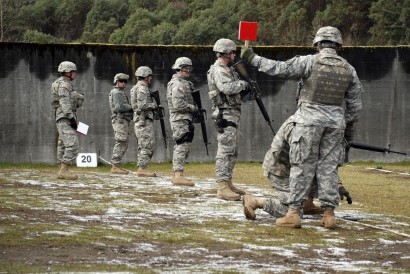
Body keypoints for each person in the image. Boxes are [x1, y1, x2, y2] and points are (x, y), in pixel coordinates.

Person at [241, 26, 363, 229]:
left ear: (317, 44)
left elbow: (279, 68)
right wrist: (347, 134)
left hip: (308, 121)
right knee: (328, 168)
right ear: (339, 45)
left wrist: (252, 58)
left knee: (301, 166)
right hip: (335, 124)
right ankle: (329, 214)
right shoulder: (349, 69)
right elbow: (355, 108)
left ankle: (293, 213)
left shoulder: (309, 62)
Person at [243, 115, 353, 220]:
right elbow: (303, 164)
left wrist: (338, 184)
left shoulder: (322, 128)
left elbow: (326, 163)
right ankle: (256, 202)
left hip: (299, 168)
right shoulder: (299, 127)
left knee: (316, 173)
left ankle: (308, 204)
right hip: (281, 170)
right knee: (294, 212)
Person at [207, 38, 250, 201]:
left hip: (231, 113)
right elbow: (227, 88)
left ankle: (229, 182)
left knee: (232, 150)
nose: (234, 55)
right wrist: (243, 85)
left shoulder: (227, 69)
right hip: (224, 114)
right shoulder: (219, 70)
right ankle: (222, 186)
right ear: (226, 53)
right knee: (225, 150)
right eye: (233, 52)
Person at [167, 57, 198, 186]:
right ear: (178, 68)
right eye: (185, 68)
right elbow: (178, 104)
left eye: (190, 68)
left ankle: (178, 174)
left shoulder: (185, 83)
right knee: (182, 145)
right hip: (179, 118)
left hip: (185, 118)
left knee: (185, 146)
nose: (188, 70)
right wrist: (193, 108)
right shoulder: (178, 84)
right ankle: (178, 175)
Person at [51, 61, 84, 180]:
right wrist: (71, 118)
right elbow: (64, 102)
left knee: (63, 144)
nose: (75, 74)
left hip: (64, 116)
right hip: (65, 117)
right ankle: (64, 170)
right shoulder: (63, 84)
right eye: (73, 72)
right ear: (67, 72)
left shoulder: (65, 83)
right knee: (73, 144)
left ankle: (62, 168)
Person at [130, 66, 158, 177]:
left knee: (144, 145)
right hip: (143, 121)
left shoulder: (137, 87)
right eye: (149, 76)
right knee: (147, 145)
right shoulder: (142, 88)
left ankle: (142, 167)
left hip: (142, 120)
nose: (151, 78)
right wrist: (154, 105)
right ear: (146, 77)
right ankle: (142, 169)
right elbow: (142, 105)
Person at [109, 73, 133, 174]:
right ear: (116, 81)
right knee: (121, 141)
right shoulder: (117, 93)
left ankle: (116, 165)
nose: (123, 83)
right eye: (121, 81)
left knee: (123, 142)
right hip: (120, 119)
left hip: (122, 120)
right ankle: (115, 166)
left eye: (125, 81)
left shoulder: (119, 92)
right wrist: (131, 107)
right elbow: (119, 107)